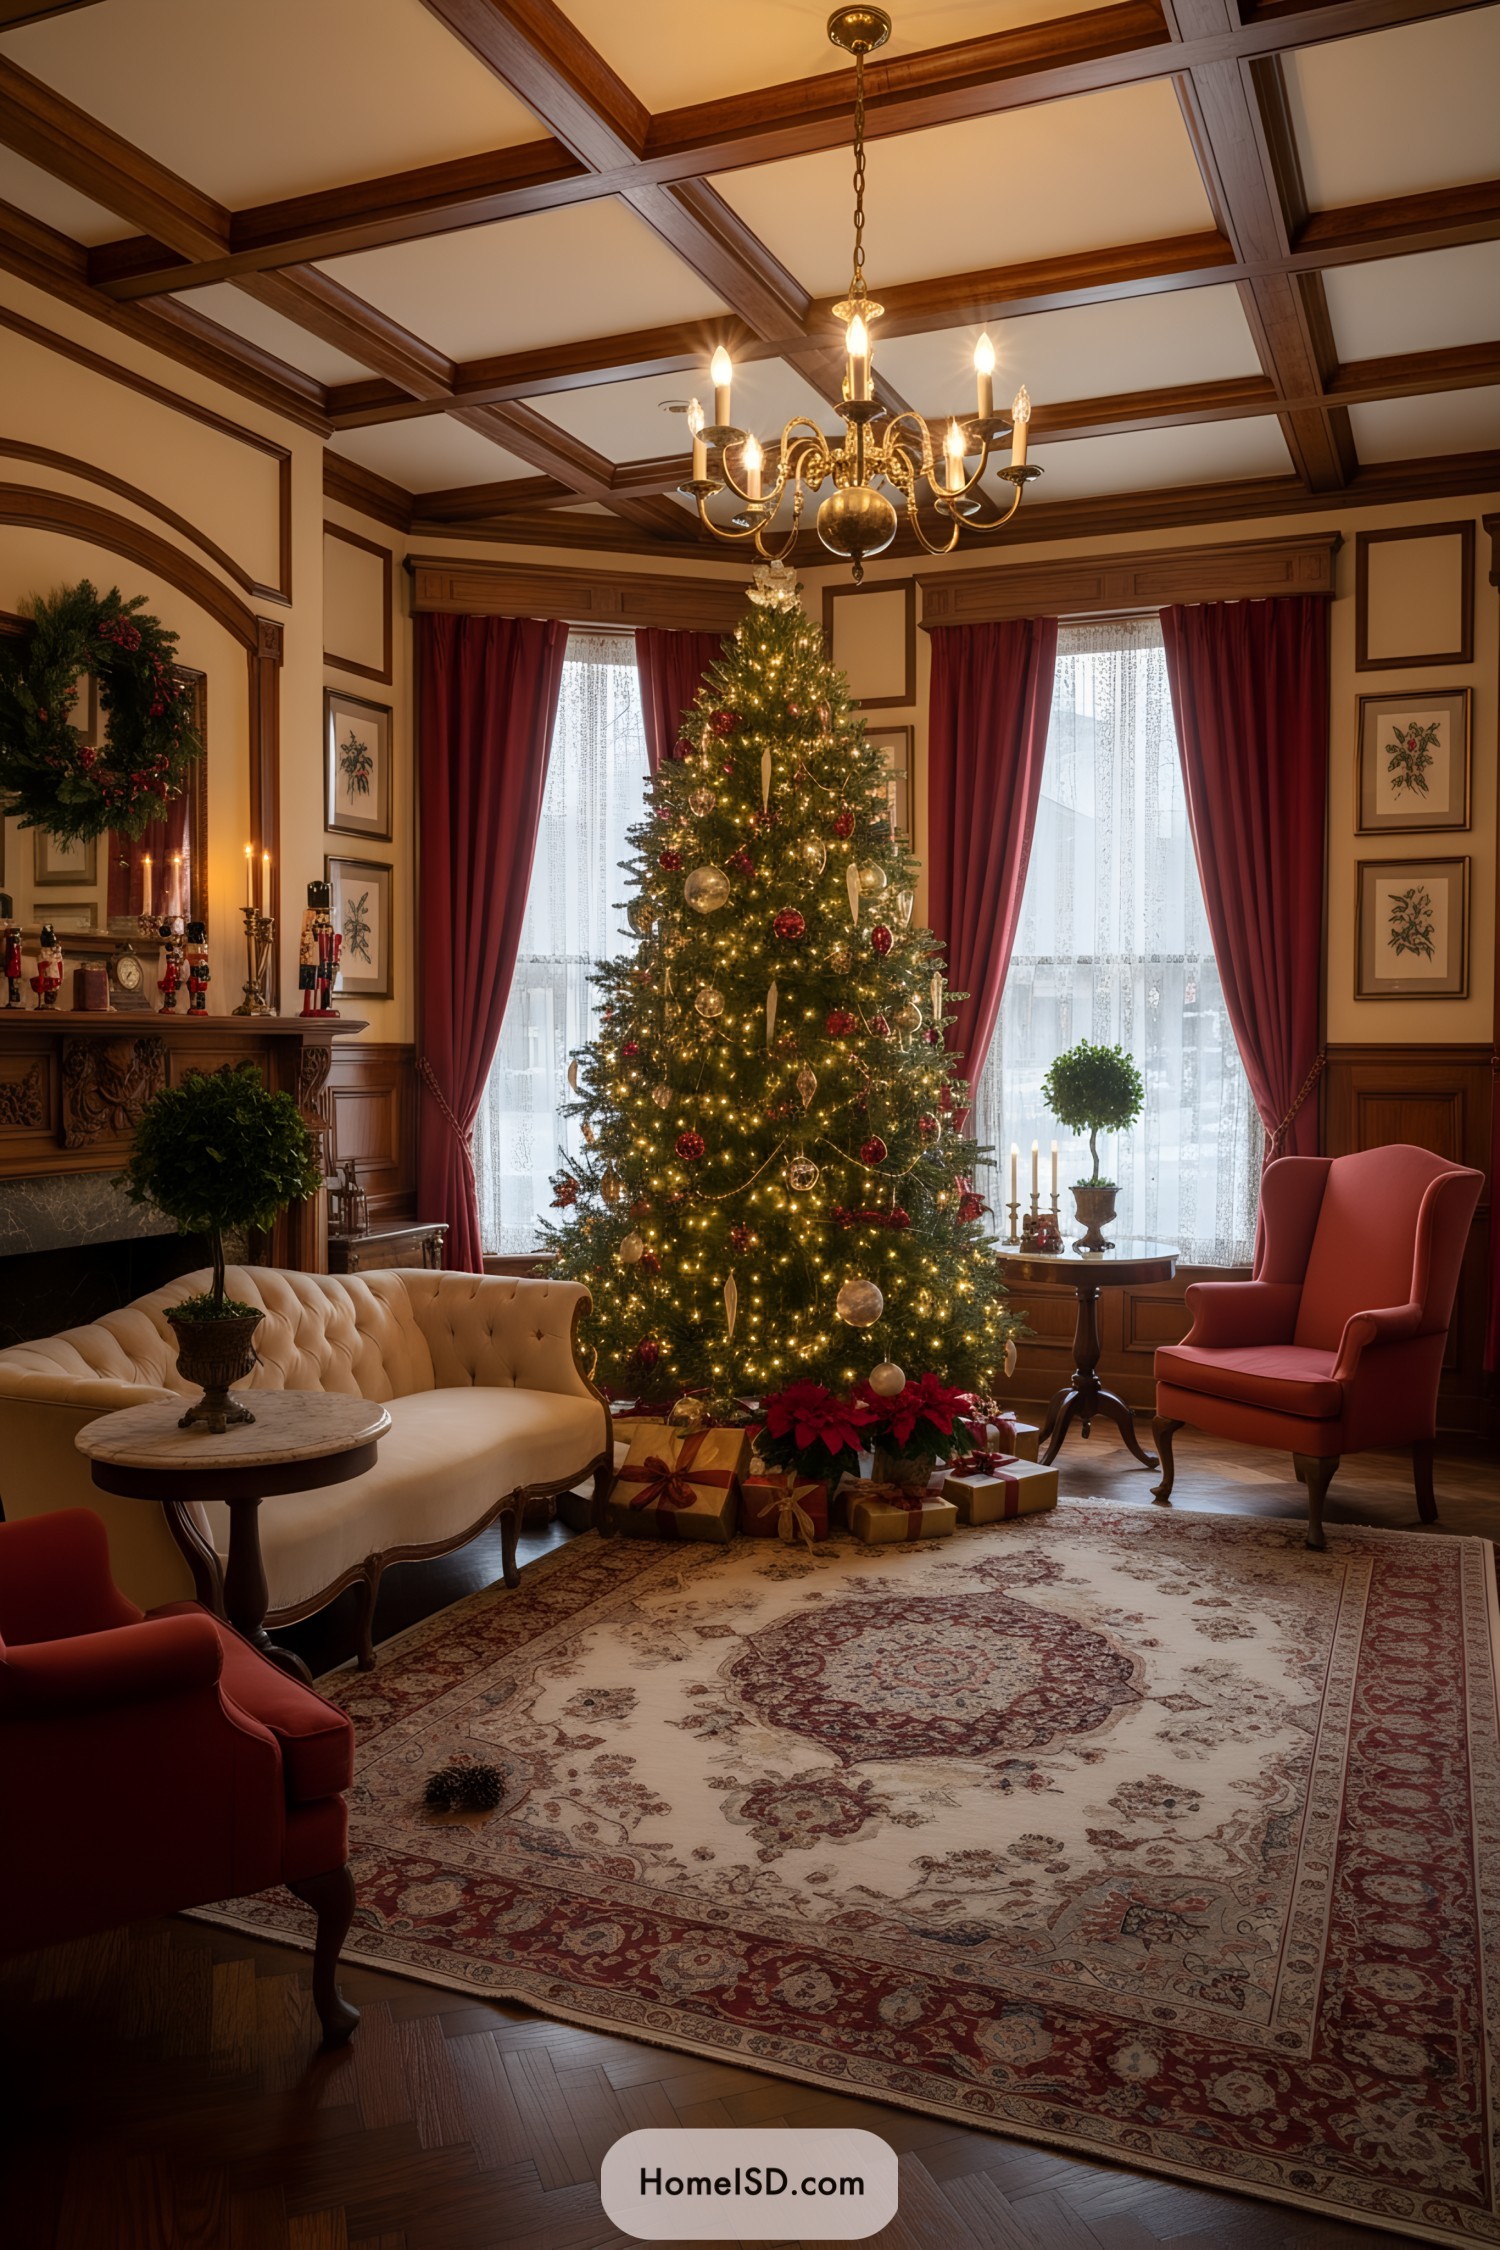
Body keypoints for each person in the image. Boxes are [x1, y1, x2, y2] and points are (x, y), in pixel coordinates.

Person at [30, 923, 62, 1010]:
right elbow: (41, 965)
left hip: (54, 976)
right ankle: (44, 1003)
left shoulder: (55, 954)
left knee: (53, 988)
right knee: (48, 987)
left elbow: (58, 964)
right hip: (47, 977)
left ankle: (50, 1003)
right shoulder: (43, 955)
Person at [184, 920, 210, 1015]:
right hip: (194, 973)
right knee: (193, 991)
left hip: (200, 972)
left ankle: (199, 1007)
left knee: (200, 992)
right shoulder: (190, 947)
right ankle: (194, 1006)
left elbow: (204, 961)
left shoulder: (203, 948)